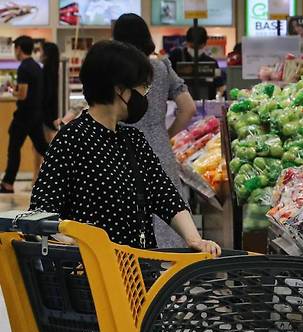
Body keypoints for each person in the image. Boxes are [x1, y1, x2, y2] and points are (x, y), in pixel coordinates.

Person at [29, 40, 220, 256]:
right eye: (143, 87)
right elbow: (43, 211)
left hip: (137, 272)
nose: (145, 94)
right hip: (89, 275)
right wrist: (74, 246)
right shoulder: (70, 140)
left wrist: (194, 239)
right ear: (120, 90)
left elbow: (165, 194)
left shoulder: (133, 139)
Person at [112, 13, 196, 248]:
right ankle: (169, 275)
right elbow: (187, 108)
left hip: (120, 146)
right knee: (168, 213)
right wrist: (166, 134)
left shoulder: (116, 70)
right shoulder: (160, 67)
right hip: (159, 146)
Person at [1, 36, 48, 193]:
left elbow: (22, 95)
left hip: (23, 115)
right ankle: (66, 171)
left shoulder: (23, 68)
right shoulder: (36, 66)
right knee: (43, 147)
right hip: (36, 114)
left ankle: (8, 183)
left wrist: (12, 91)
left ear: (19, 48)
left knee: (14, 148)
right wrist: (15, 89)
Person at [31, 42, 60, 185]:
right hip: (54, 113)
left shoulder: (45, 71)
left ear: (46, 54)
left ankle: (37, 178)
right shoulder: (57, 71)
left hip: (45, 115)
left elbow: (45, 95)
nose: (39, 54)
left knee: (40, 147)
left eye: (40, 51)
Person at [168, 26, 224, 98]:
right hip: (180, 102)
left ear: (204, 44)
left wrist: (217, 97)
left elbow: (220, 86)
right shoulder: (176, 57)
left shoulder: (211, 62)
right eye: (192, 47)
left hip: (206, 103)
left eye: (199, 47)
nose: (195, 50)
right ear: (187, 42)